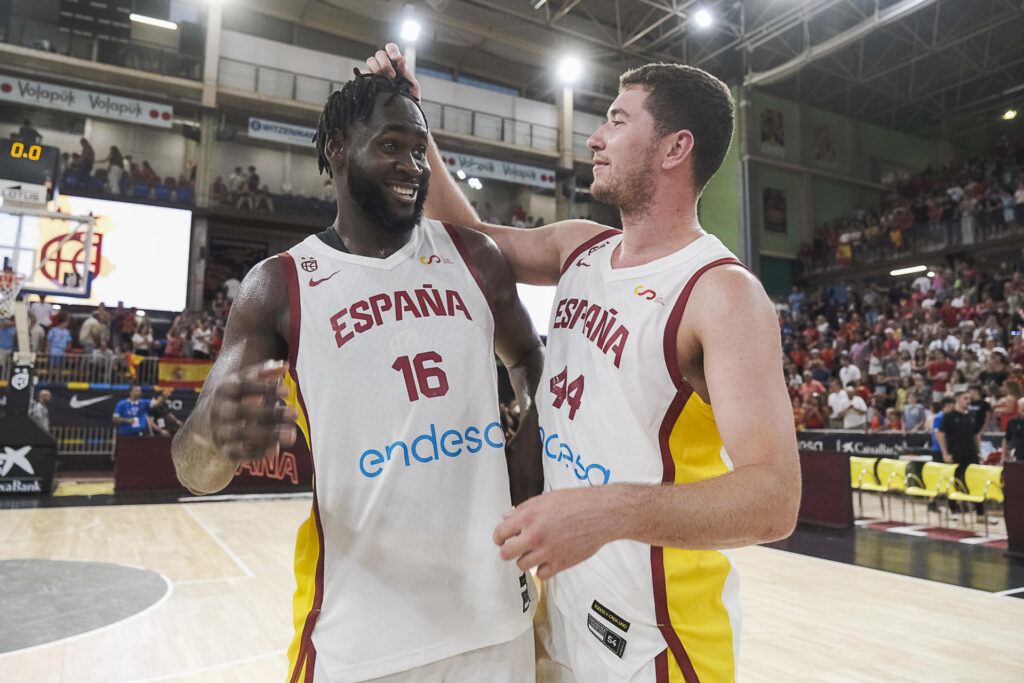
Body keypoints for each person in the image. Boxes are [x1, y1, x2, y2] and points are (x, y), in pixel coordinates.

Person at [367, 43, 799, 682]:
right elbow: (468, 247)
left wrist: (608, 510)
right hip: (561, 603)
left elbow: (774, 499)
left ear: (675, 148)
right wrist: (418, 131)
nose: (596, 137)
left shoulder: (721, 293)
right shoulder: (580, 247)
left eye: (619, 122)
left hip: (658, 636)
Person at [171, 68, 544, 683]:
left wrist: (529, 440)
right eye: (391, 145)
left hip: (495, 618)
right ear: (338, 149)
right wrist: (214, 436)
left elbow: (530, 358)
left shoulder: (474, 258)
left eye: (419, 149)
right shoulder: (279, 286)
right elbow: (194, 469)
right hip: (360, 639)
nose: (412, 165)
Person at [936, 391, 982, 516]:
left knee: (976, 480)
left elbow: (976, 435)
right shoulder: (949, 416)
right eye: (965, 398)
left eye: (969, 399)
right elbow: (940, 434)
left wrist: (979, 451)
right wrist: (945, 453)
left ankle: (980, 512)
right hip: (955, 453)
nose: (968, 401)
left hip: (971, 453)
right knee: (954, 481)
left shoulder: (972, 415)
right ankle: (954, 509)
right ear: (958, 400)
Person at [1001, 396, 1024, 463]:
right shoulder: (1012, 422)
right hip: (1017, 455)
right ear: (1018, 408)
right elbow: (1006, 438)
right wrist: (1003, 456)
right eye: (1022, 408)